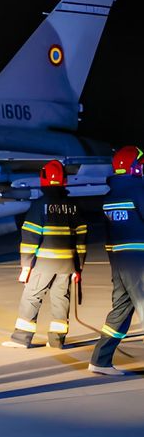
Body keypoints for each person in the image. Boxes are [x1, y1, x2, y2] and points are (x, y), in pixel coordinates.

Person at [3, 159, 86, 349]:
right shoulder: (74, 206)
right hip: (67, 265)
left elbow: (30, 238)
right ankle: (57, 341)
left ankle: (21, 339)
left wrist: (26, 265)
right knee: (61, 299)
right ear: (64, 180)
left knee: (31, 297)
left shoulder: (39, 205)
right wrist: (78, 266)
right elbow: (81, 239)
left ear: (43, 179)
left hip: (44, 264)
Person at [88, 146, 144, 376]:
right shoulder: (140, 189)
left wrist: (115, 267)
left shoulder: (109, 196)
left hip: (119, 262)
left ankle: (100, 361)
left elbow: (110, 236)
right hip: (140, 261)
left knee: (120, 311)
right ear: (136, 167)